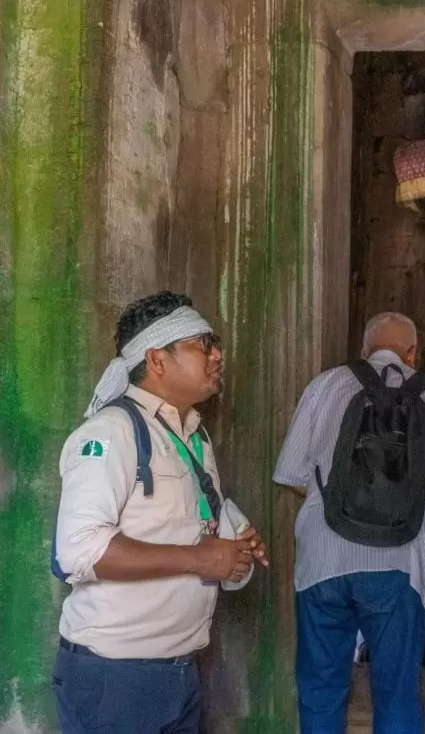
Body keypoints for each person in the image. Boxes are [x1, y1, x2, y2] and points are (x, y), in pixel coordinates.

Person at [52, 290, 268, 733]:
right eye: (201, 345)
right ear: (157, 359)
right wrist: (201, 557)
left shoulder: (193, 435)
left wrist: (234, 549)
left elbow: (190, 526)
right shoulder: (111, 433)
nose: (217, 356)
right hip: (117, 678)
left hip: (179, 672)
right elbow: (78, 552)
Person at [273, 311, 425, 734]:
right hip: (399, 564)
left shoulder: (326, 385)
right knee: (397, 693)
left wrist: (335, 503)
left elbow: (291, 474)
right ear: (412, 353)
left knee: (320, 688)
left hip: (323, 561)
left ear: (365, 352)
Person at [356, 471, 425, 668]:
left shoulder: (366, 463)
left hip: (377, 567)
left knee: (367, 647)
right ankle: (410, 650)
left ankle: (384, 648)